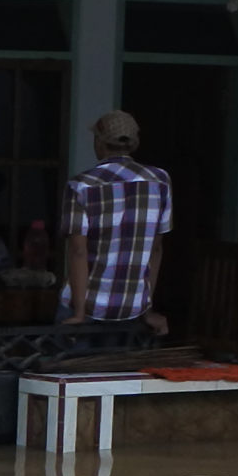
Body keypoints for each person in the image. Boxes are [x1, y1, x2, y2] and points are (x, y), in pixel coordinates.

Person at [63, 110, 172, 336]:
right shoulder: (160, 181)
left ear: (99, 143)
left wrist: (79, 313)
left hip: (91, 304)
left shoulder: (82, 186)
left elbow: (78, 251)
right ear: (135, 143)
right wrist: (147, 309)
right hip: (133, 309)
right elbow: (156, 248)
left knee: (76, 369)